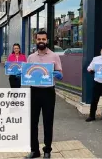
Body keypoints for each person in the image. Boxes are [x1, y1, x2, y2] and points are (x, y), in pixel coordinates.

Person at [26, 31, 63, 159]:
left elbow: (60, 73)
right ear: (35, 40)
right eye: (39, 39)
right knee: (33, 122)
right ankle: (34, 150)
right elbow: (28, 73)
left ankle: (47, 150)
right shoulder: (31, 57)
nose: (41, 41)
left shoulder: (54, 56)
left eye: (43, 39)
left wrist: (59, 75)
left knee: (48, 122)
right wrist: (22, 75)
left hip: (48, 92)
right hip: (34, 91)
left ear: (47, 40)